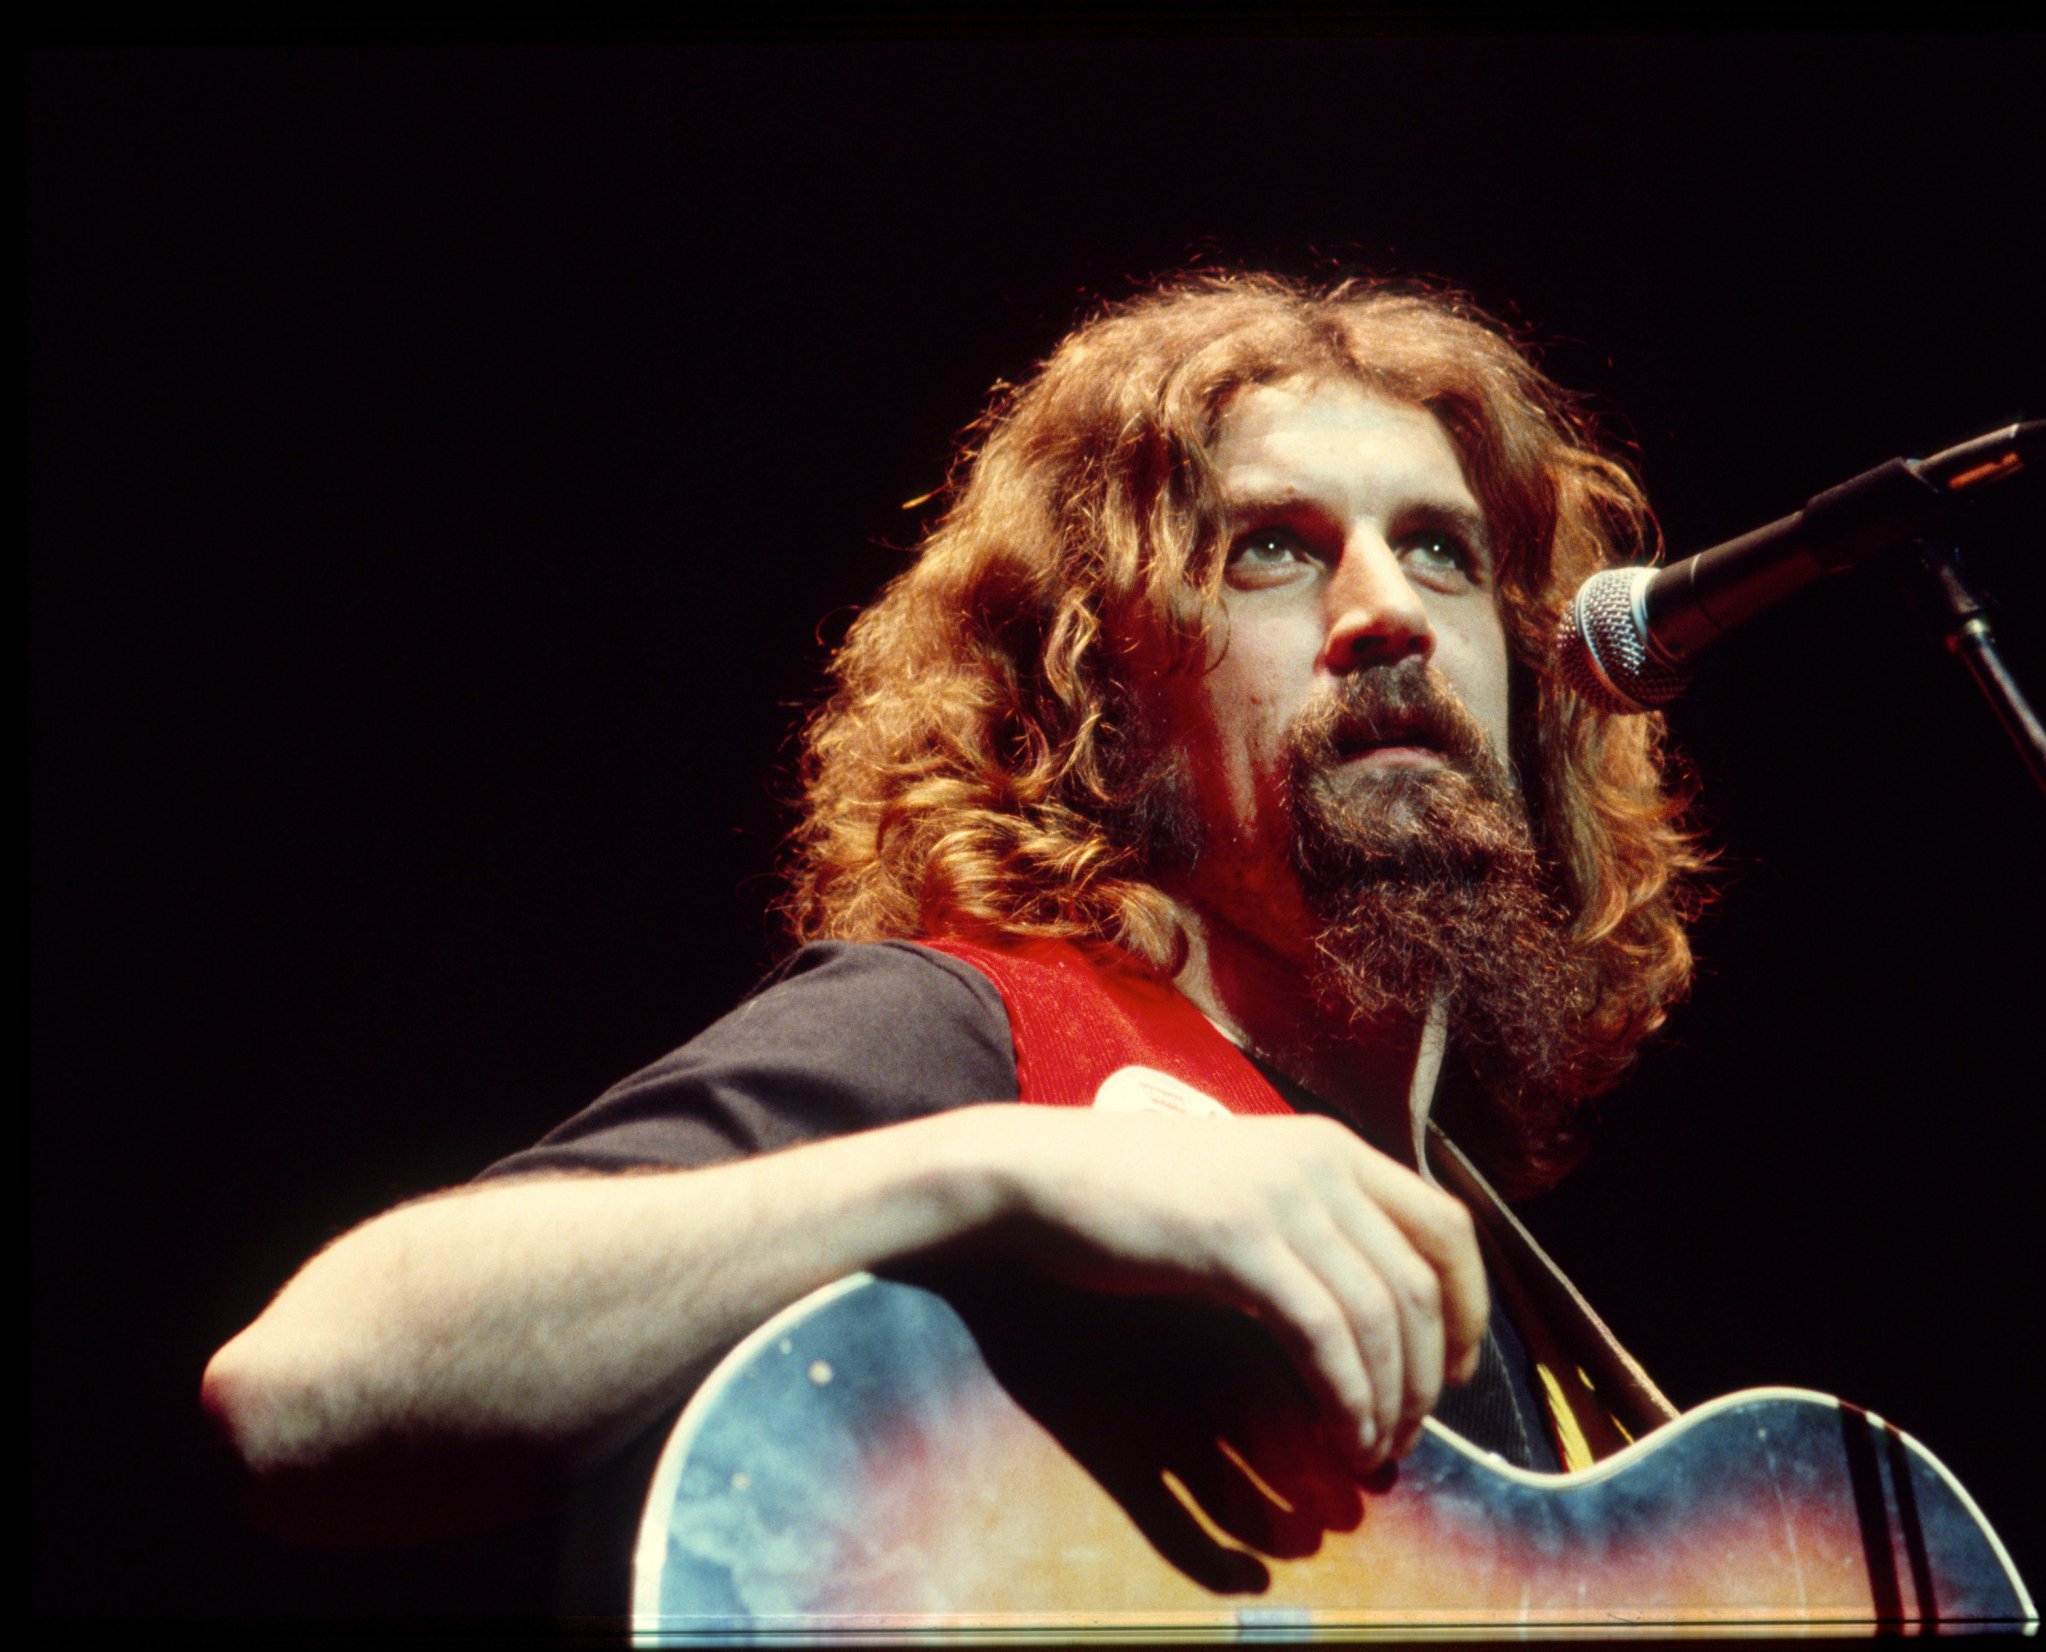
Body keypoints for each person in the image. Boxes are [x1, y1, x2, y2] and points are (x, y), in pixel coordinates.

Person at [200, 272, 1707, 1570]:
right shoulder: (985, 1027)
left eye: (1442, 548)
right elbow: (305, 1387)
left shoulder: (1504, 1265)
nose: (1387, 607)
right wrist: (1003, 1171)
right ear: (1100, 704)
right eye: (1272, 549)